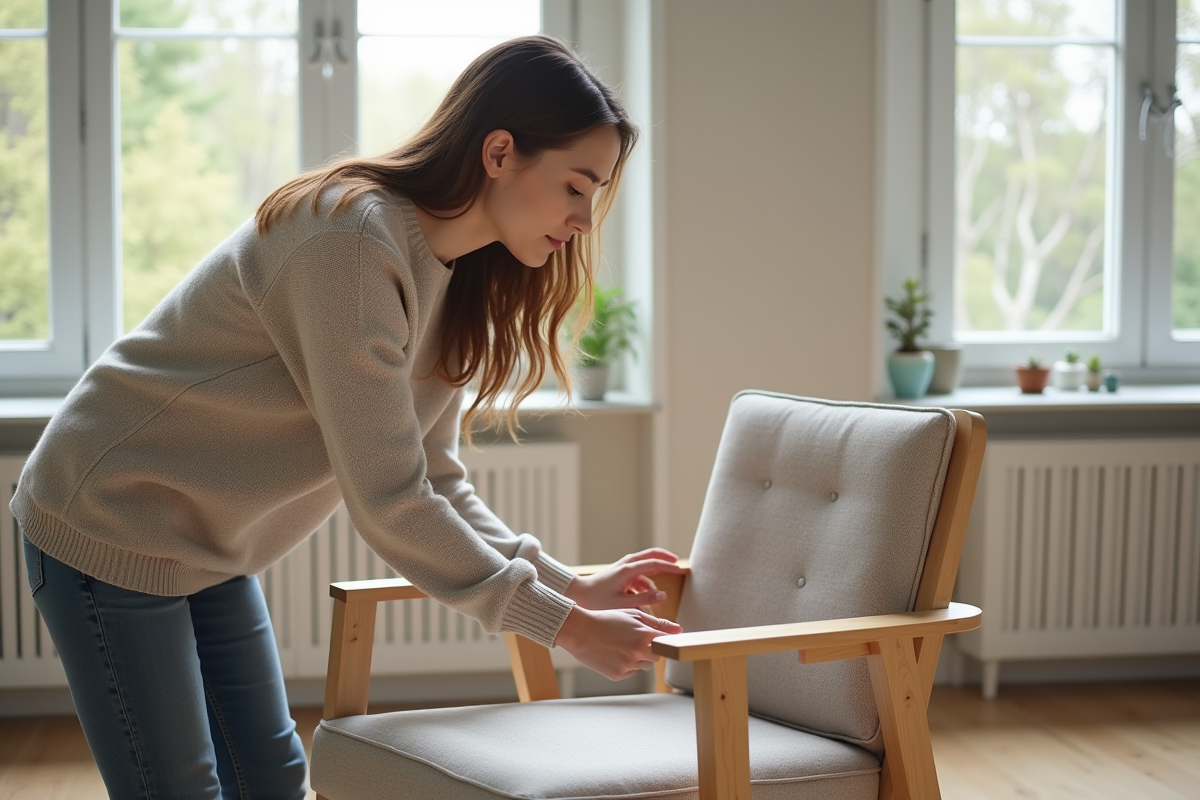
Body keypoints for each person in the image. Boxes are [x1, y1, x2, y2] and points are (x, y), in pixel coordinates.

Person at [12, 34, 684, 800]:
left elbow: (434, 475)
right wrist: (561, 625)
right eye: (576, 185)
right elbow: (390, 501)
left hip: (208, 545)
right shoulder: (351, 240)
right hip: (109, 519)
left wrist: (570, 588)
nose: (586, 219)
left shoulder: (457, 274)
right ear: (499, 153)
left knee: (272, 782)